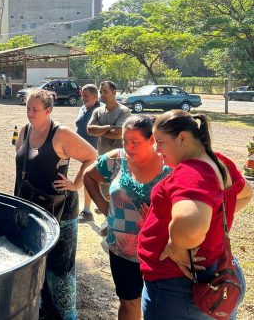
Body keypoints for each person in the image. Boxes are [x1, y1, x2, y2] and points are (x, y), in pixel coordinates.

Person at [137, 110, 252, 319]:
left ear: (182, 138)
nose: (156, 149)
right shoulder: (218, 161)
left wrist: (176, 244)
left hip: (180, 289)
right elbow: (245, 194)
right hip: (215, 276)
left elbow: (188, 227)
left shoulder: (190, 173)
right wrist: (211, 218)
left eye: (161, 142)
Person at [14, 89, 97, 320]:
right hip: (31, 205)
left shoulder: (61, 134)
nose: (30, 114)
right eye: (28, 108)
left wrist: (76, 183)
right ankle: (41, 309)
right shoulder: (25, 130)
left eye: (35, 110)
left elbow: (92, 156)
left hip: (60, 209)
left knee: (60, 266)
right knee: (34, 259)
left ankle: (66, 315)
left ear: (49, 110)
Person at [83, 115, 171, 320]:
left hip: (160, 252)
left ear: (152, 141)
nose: (128, 147)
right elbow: (89, 175)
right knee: (128, 301)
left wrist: (159, 218)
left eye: (135, 142)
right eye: (125, 140)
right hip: (121, 251)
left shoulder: (170, 165)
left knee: (159, 307)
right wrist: (105, 208)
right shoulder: (117, 159)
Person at [87, 81, 131, 235]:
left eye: (105, 91)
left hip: (120, 158)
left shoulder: (124, 111)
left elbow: (119, 133)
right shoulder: (98, 111)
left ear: (114, 92)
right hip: (103, 157)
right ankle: (110, 217)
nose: (102, 94)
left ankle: (114, 221)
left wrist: (100, 130)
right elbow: (89, 129)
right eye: (101, 91)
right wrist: (108, 128)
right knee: (105, 189)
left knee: (118, 191)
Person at [75, 84, 102, 222]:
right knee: (90, 180)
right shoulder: (83, 108)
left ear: (95, 96)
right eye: (82, 95)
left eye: (86, 96)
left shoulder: (101, 110)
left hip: (94, 152)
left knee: (87, 180)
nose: (83, 98)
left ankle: (87, 211)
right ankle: (98, 205)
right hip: (82, 153)